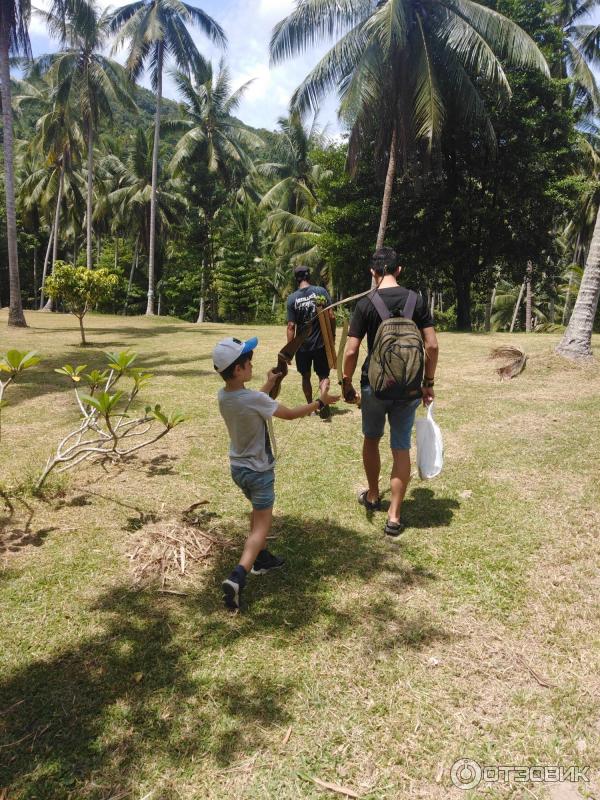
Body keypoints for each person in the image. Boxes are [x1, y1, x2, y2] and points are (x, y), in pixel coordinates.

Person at [213, 336, 339, 610]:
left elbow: (253, 401)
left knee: (257, 514)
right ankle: (238, 576)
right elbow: (291, 413)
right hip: (259, 473)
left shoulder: (225, 396)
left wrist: (270, 383)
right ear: (237, 370)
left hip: (239, 470)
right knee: (262, 526)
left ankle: (261, 558)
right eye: (247, 361)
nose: (251, 363)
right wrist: (320, 401)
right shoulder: (254, 399)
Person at [341, 248, 439, 536]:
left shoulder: (366, 303)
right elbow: (431, 346)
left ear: (373, 272)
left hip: (374, 386)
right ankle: (394, 516)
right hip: (409, 387)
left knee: (371, 439)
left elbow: (351, 349)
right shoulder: (415, 300)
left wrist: (346, 383)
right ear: (399, 270)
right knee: (401, 447)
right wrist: (428, 382)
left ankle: (373, 495)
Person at [286, 265, 336, 419]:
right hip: (321, 344)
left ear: (297, 279)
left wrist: (290, 350)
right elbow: (331, 316)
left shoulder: (292, 298)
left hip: (302, 346)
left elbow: (291, 326)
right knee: (323, 375)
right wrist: (332, 336)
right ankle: (324, 401)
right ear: (309, 276)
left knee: (305, 376)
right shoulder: (321, 292)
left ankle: (311, 407)